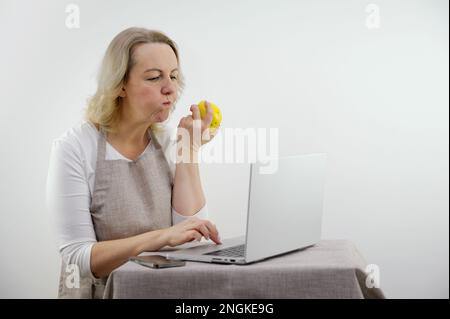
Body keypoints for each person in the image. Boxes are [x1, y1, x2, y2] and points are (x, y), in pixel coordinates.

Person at [46, 27, 221, 298]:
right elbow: (79, 256)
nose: (171, 88)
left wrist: (189, 150)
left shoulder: (168, 144)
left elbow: (192, 235)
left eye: (174, 77)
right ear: (120, 86)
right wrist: (160, 237)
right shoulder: (76, 147)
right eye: (154, 77)